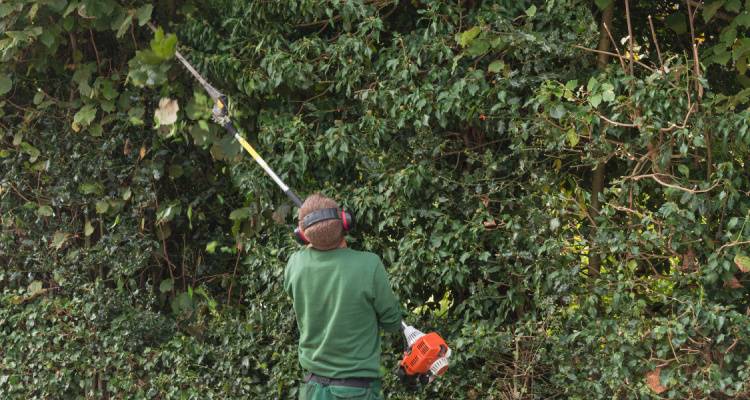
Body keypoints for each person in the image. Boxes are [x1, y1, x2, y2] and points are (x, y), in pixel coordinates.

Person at [284, 193, 402, 400]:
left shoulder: (295, 264)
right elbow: (392, 323)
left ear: (301, 235)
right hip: (358, 392)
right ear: (346, 222)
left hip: (313, 390)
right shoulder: (370, 265)